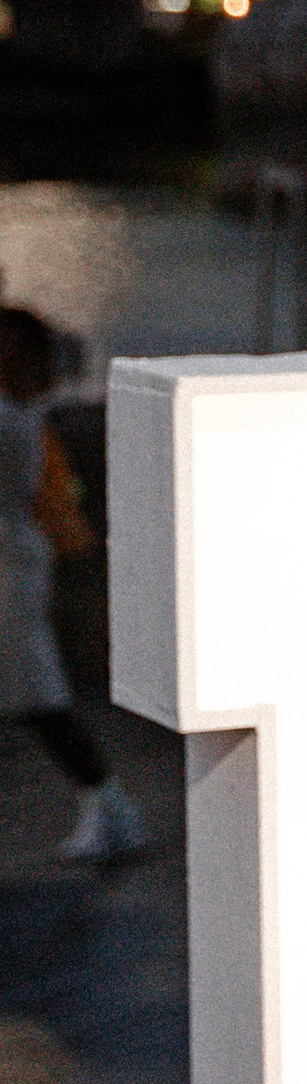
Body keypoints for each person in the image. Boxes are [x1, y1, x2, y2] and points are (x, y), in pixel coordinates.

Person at [0, 303, 144, 865]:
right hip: (17, 563)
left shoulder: (12, 421)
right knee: (37, 699)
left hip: (10, 571)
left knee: (40, 699)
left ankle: (110, 805)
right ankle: (107, 807)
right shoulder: (21, 415)